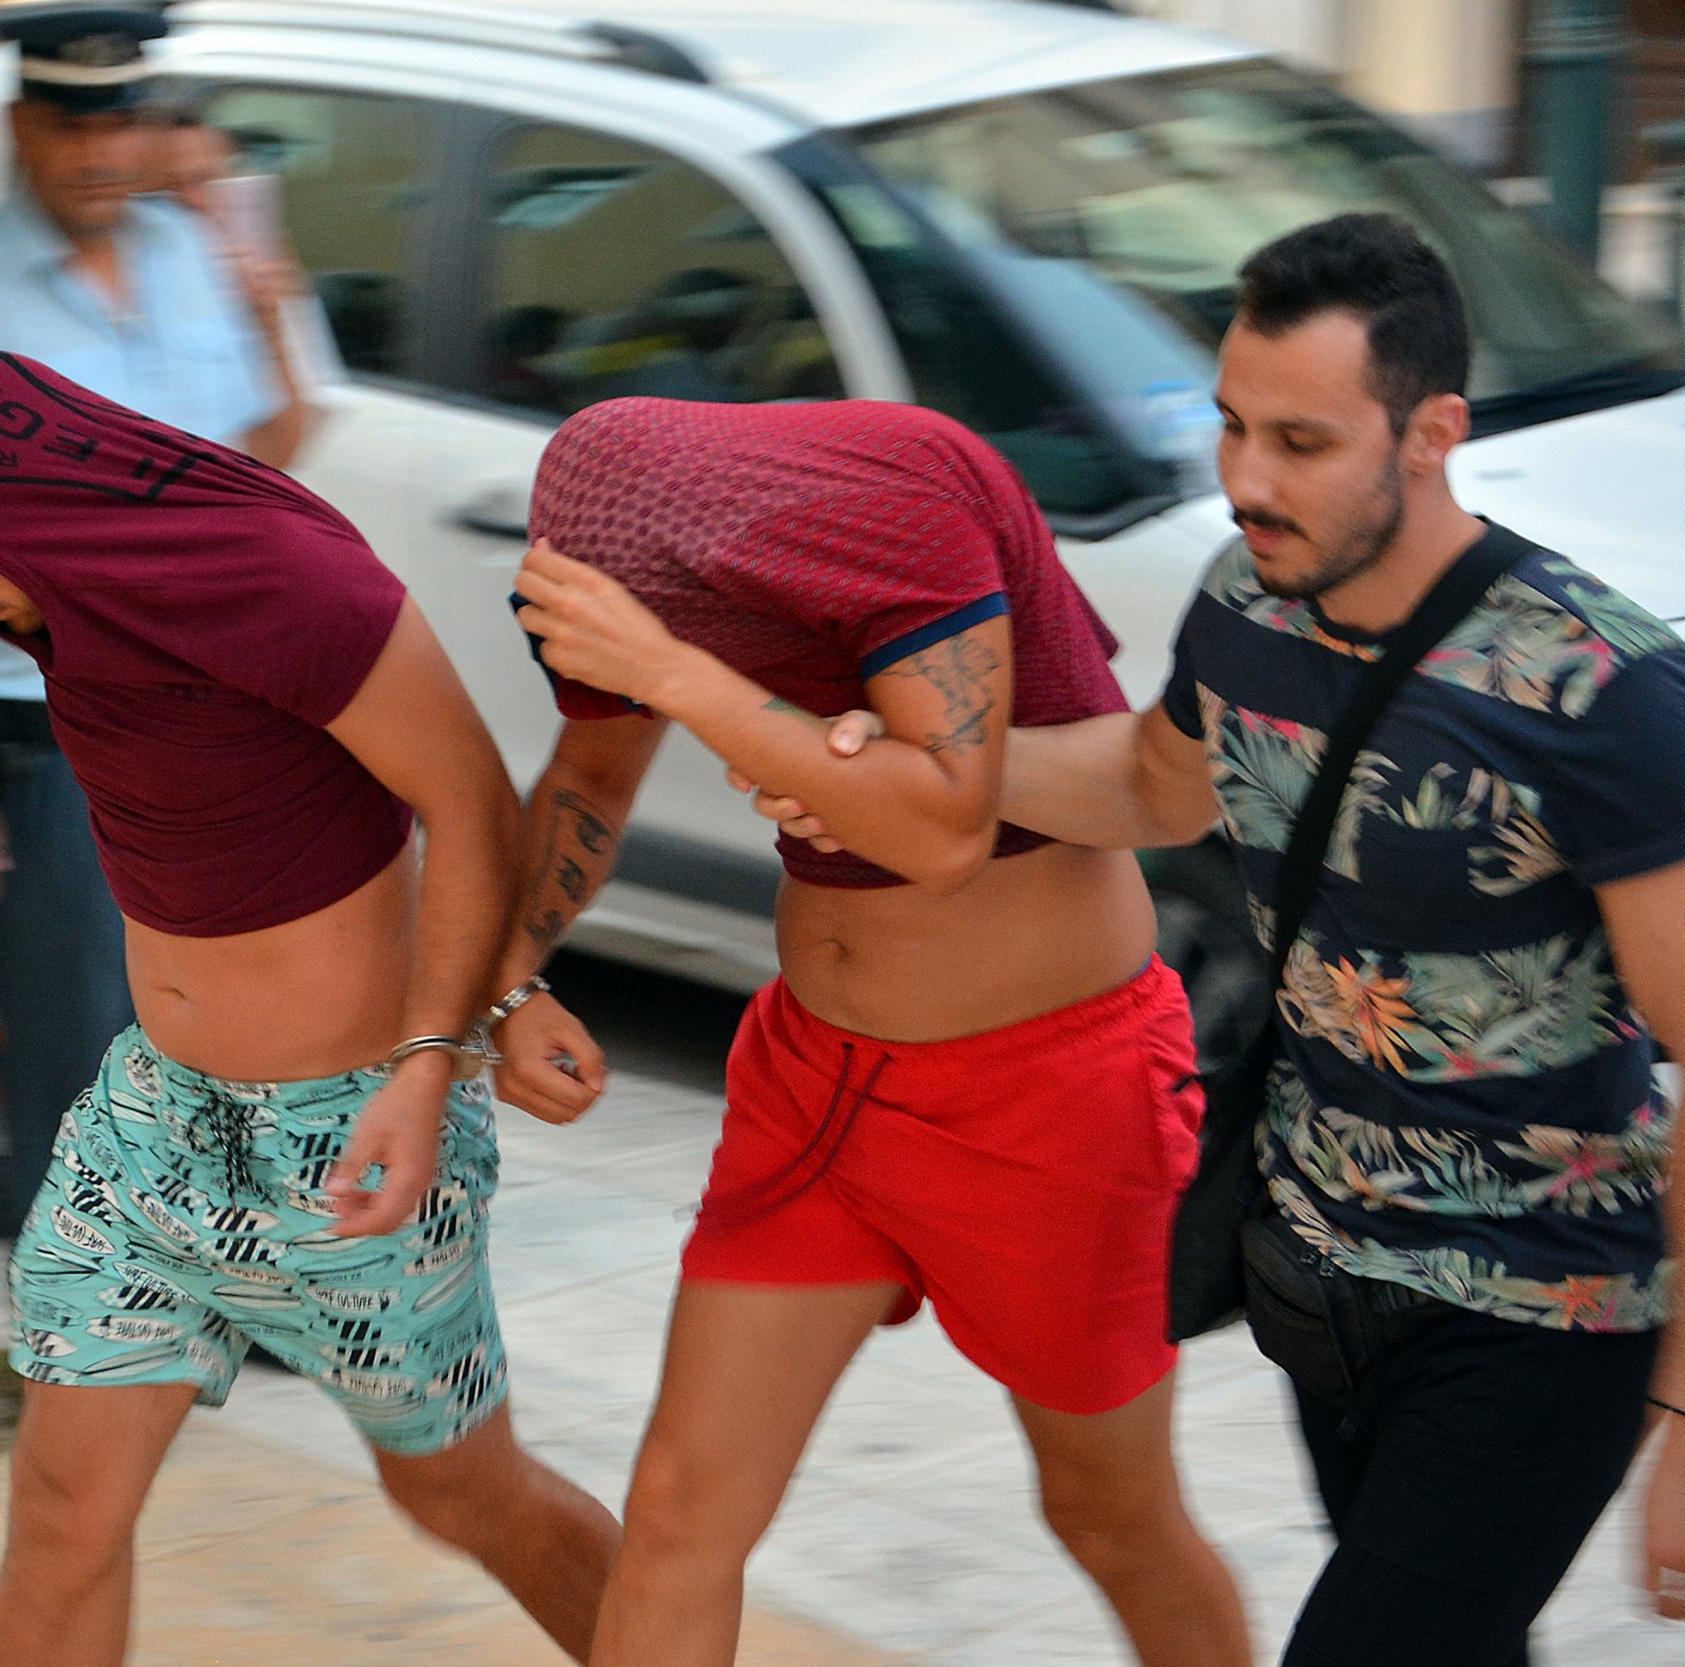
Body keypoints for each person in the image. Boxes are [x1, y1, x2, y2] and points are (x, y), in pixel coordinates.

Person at [759, 215, 1685, 1666]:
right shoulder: (1248, 597)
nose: (1247, 479)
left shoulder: (1611, 692)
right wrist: (877, 757)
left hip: (1538, 1310)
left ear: (1432, 433)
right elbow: (1146, 781)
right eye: (1233, 426)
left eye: (1301, 442)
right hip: (1322, 1270)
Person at [0, 349, 618, 1665]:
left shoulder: (283, 579)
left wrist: (443, 1053)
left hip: (354, 1132)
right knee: (62, 1506)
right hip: (153, 1121)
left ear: (20, 521)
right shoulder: (37, 574)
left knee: (459, 1494)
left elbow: (470, 802)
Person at [487, 395, 1251, 1667]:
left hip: (1046, 1093)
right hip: (817, 1082)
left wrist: (688, 677)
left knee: (1109, 1512)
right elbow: (587, 776)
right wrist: (509, 979)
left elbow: (942, 834)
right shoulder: (602, 521)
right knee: (682, 1511)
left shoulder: (890, 514)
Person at [0, 1, 316, 1232]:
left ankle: (236, 1298)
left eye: (123, 121)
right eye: (70, 125)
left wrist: (266, 296)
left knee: (235, 1034)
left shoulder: (195, 259)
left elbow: (271, 458)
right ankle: (81, 1353)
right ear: (21, 130)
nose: (102, 152)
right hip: (52, 752)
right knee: (88, 1063)